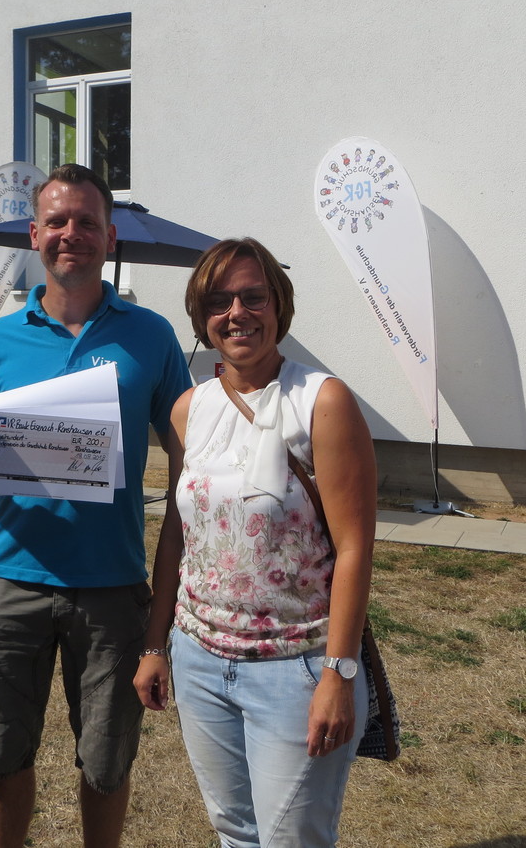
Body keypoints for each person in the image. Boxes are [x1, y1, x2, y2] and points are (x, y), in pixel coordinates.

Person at [0, 163, 192, 848]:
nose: (72, 233)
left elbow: (191, 447)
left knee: (105, 761)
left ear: (110, 237)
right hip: (12, 576)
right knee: (1, 754)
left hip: (112, 584)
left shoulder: (151, 335)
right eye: (58, 221)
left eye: (88, 222)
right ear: (34, 234)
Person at [134, 237, 377, 847]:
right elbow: (177, 534)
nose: (237, 313)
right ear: (202, 317)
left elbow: (355, 548)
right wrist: (155, 645)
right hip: (199, 660)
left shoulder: (322, 401)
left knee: (293, 839)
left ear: (279, 305)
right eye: (219, 301)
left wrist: (338, 673)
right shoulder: (189, 410)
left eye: (253, 297)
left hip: (295, 667)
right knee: (234, 831)